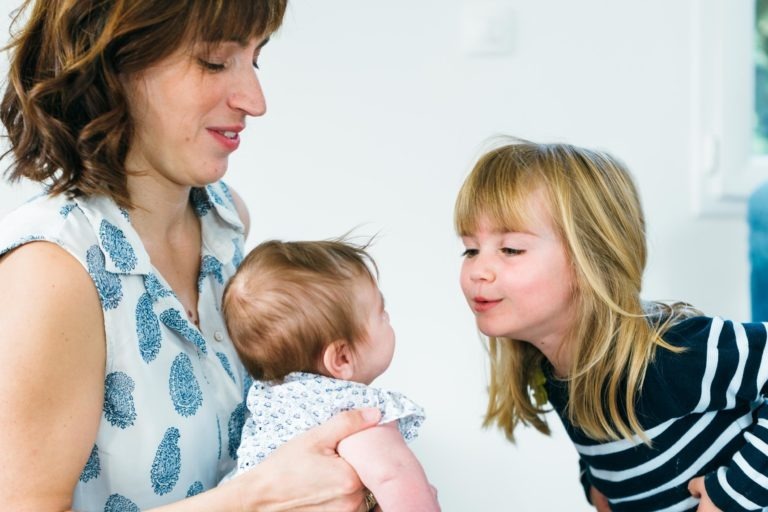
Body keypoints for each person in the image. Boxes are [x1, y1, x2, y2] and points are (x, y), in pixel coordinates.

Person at [0, 1, 383, 511]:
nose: (255, 100)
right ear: (116, 65)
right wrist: (253, 499)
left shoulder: (226, 221)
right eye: (215, 62)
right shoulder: (51, 273)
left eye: (256, 60)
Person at [454, 138, 768, 512]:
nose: (478, 270)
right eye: (470, 249)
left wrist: (733, 495)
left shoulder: (670, 353)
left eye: (511, 250)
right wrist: (598, 482)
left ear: (593, 259)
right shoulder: (554, 368)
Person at [221, 238, 441, 512]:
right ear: (342, 358)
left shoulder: (270, 406)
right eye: (380, 312)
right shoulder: (351, 410)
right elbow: (392, 475)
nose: (388, 317)